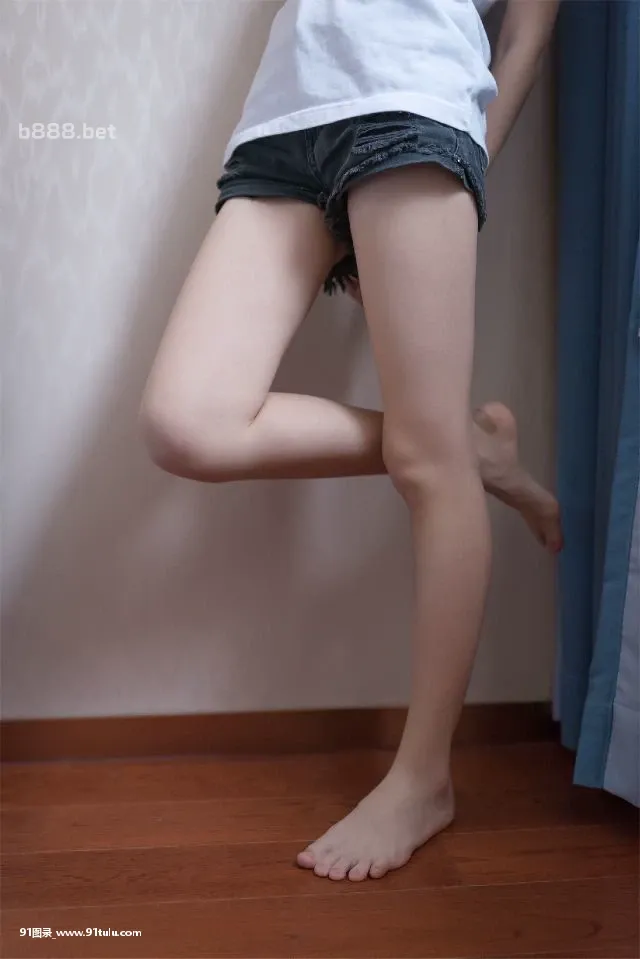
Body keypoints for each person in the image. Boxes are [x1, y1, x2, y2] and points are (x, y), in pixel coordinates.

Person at [141, 0, 561, 882]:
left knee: (426, 468)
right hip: (284, 116)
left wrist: (471, 161)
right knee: (187, 424)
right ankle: (462, 447)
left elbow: (527, 34)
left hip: (413, 106)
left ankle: (423, 779)